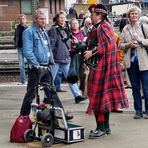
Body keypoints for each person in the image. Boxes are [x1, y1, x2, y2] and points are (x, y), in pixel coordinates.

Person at [83, 3, 128, 139]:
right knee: (104, 99)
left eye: (92, 14)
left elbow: (106, 46)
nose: (90, 16)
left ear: (99, 15)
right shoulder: (101, 26)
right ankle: (106, 127)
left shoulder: (103, 27)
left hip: (101, 68)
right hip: (101, 67)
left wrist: (91, 52)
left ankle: (100, 128)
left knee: (98, 99)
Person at [20, 8, 73, 120]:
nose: (44, 21)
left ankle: (61, 114)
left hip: (46, 66)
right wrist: (36, 64)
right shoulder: (28, 32)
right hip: (36, 68)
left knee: (51, 91)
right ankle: (23, 116)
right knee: (31, 94)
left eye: (45, 19)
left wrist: (51, 61)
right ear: (35, 19)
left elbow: (48, 48)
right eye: (41, 19)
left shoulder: (43, 31)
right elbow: (27, 51)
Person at [48, 11, 87, 104]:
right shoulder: (54, 30)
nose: (63, 19)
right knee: (50, 79)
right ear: (57, 19)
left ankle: (77, 95)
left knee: (71, 77)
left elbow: (66, 42)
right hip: (56, 58)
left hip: (65, 57)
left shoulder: (65, 28)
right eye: (61, 17)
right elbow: (51, 45)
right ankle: (47, 97)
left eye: (64, 17)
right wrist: (50, 57)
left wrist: (73, 42)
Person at [120, 6, 148, 119]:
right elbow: (120, 45)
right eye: (132, 14)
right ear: (129, 16)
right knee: (135, 88)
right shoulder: (125, 29)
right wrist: (128, 44)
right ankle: (138, 111)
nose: (134, 15)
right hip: (131, 63)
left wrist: (141, 41)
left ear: (139, 15)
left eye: (136, 13)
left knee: (146, 89)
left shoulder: (144, 27)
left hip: (144, 62)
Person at [14, 14, 28, 84]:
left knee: (31, 65)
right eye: (20, 19)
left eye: (23, 18)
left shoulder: (28, 28)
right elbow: (15, 37)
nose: (22, 20)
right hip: (19, 49)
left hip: (27, 49)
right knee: (21, 65)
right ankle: (23, 81)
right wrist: (15, 44)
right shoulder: (17, 28)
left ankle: (32, 81)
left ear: (26, 20)